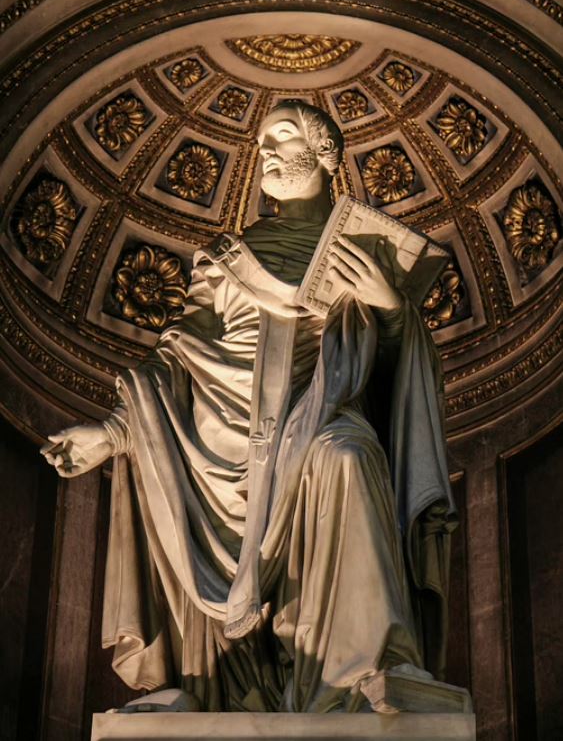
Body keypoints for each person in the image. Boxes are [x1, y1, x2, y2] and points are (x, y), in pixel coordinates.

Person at [41, 101, 456, 713]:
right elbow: (177, 355)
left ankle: (367, 670)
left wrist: (389, 305)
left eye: (280, 138)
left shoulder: (361, 250)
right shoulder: (227, 257)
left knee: (350, 453)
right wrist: (114, 431)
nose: (265, 152)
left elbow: (401, 383)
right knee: (182, 476)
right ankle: (214, 683)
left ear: (324, 154)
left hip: (319, 412)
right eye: (262, 142)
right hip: (221, 432)